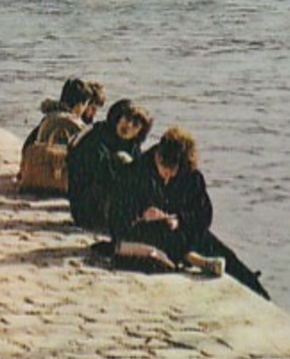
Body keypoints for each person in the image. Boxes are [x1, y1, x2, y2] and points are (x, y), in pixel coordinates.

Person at [108, 125, 226, 276]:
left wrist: (179, 219)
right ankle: (194, 259)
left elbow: (204, 215)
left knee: (219, 249)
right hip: (144, 232)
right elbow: (116, 219)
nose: (168, 176)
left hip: (181, 231)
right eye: (165, 170)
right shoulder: (136, 171)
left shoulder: (191, 175)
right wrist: (141, 214)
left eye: (173, 172)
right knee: (163, 235)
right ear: (158, 155)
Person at [68, 98, 152, 232]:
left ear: (140, 132)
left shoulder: (133, 146)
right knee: (122, 160)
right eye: (127, 119)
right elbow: (102, 176)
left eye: (135, 124)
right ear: (119, 118)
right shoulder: (97, 137)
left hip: (108, 203)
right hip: (86, 206)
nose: (128, 125)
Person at [17, 77, 98, 193]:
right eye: (85, 104)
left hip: (40, 174)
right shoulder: (77, 124)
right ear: (80, 104)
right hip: (65, 180)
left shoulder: (47, 119)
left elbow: (27, 146)